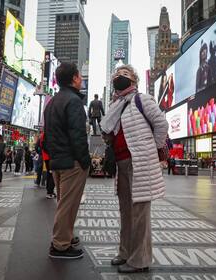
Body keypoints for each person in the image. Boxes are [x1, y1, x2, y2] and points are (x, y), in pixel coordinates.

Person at [100, 65, 168, 273]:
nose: (119, 78)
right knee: (126, 212)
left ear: (134, 81)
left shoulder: (142, 99)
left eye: (124, 75)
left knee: (139, 213)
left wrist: (152, 148)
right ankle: (125, 252)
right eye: (116, 75)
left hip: (140, 163)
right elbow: (107, 130)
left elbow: (162, 125)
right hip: (122, 164)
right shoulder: (115, 105)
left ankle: (140, 260)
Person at [44, 62, 91, 259]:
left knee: (65, 202)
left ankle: (66, 235)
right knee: (68, 204)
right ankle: (60, 245)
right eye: (79, 76)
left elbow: (46, 135)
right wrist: (85, 160)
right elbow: (77, 135)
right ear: (73, 78)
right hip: (72, 162)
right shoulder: (73, 101)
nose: (81, 79)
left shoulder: (52, 101)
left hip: (57, 161)